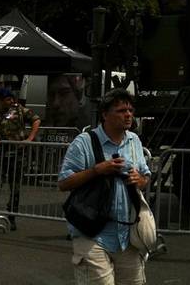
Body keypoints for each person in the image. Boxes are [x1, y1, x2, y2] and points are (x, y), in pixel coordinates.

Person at [59, 88, 151, 284]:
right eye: (121, 111)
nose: (128, 115)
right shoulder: (84, 142)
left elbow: (145, 177)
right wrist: (97, 170)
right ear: (104, 114)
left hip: (128, 237)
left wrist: (139, 180)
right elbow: (64, 183)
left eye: (130, 110)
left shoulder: (134, 140)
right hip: (92, 235)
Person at [0, 88, 40, 229]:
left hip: (17, 154)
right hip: (0, 154)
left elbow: (36, 119)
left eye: (11, 99)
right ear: (0, 100)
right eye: (7, 99)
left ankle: (12, 216)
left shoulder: (19, 110)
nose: (11, 102)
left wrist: (30, 138)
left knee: (15, 187)